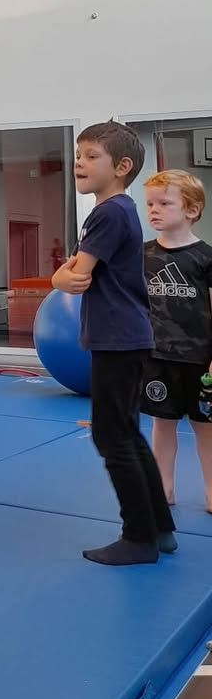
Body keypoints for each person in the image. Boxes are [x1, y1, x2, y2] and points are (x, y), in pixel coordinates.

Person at [51, 121, 175, 565]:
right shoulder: (119, 211)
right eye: (78, 155)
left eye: (90, 156)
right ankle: (160, 528)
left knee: (111, 435)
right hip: (127, 336)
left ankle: (138, 536)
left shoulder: (107, 212)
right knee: (126, 432)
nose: (78, 163)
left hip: (118, 338)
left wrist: (57, 276)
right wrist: (67, 274)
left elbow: (75, 276)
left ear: (121, 167)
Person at [140, 169, 212, 512]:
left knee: (206, 429)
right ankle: (163, 489)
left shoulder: (205, 257)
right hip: (158, 356)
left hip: (200, 359)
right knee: (162, 424)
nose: (154, 210)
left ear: (191, 210)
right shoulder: (143, 255)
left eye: (164, 203)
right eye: (150, 203)